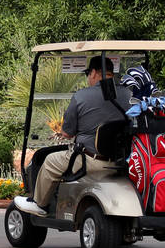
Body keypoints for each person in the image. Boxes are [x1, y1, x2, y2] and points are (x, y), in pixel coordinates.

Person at [13, 55, 132, 216]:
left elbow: (67, 133)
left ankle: (39, 204)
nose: (88, 78)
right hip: (122, 161)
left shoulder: (81, 96)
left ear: (95, 73)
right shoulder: (128, 95)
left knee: (50, 161)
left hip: (90, 161)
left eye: (88, 74)